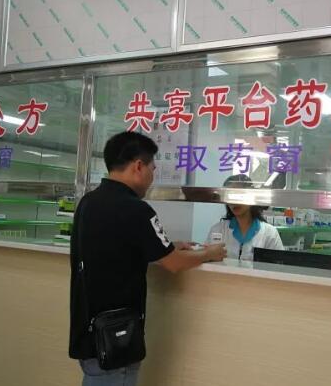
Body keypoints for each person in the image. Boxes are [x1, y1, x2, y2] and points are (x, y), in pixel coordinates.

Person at [69, 131, 227, 386]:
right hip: (116, 335)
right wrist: (209, 253)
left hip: (89, 332)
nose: (152, 177)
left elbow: (117, 246)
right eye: (153, 169)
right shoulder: (136, 209)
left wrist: (169, 245)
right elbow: (174, 263)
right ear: (138, 166)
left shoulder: (89, 202)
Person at [205, 174, 284, 261]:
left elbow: (278, 265)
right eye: (229, 196)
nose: (234, 202)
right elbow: (206, 261)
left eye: (239, 195)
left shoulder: (269, 233)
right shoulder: (218, 230)